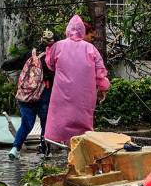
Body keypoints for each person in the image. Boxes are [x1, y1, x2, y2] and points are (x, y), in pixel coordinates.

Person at [43, 15, 109, 148]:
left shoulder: (58, 46)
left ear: (67, 30)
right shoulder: (91, 49)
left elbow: (50, 64)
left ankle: (66, 149)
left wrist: (49, 49)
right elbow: (100, 72)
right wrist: (103, 88)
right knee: (83, 125)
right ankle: (80, 152)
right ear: (82, 31)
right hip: (84, 95)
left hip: (62, 94)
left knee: (61, 121)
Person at [6, 31, 55, 159]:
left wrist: (4, 65)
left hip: (26, 95)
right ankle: (45, 150)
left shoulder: (30, 53)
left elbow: (11, 64)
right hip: (44, 94)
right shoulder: (52, 57)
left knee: (26, 123)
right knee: (45, 123)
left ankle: (15, 148)